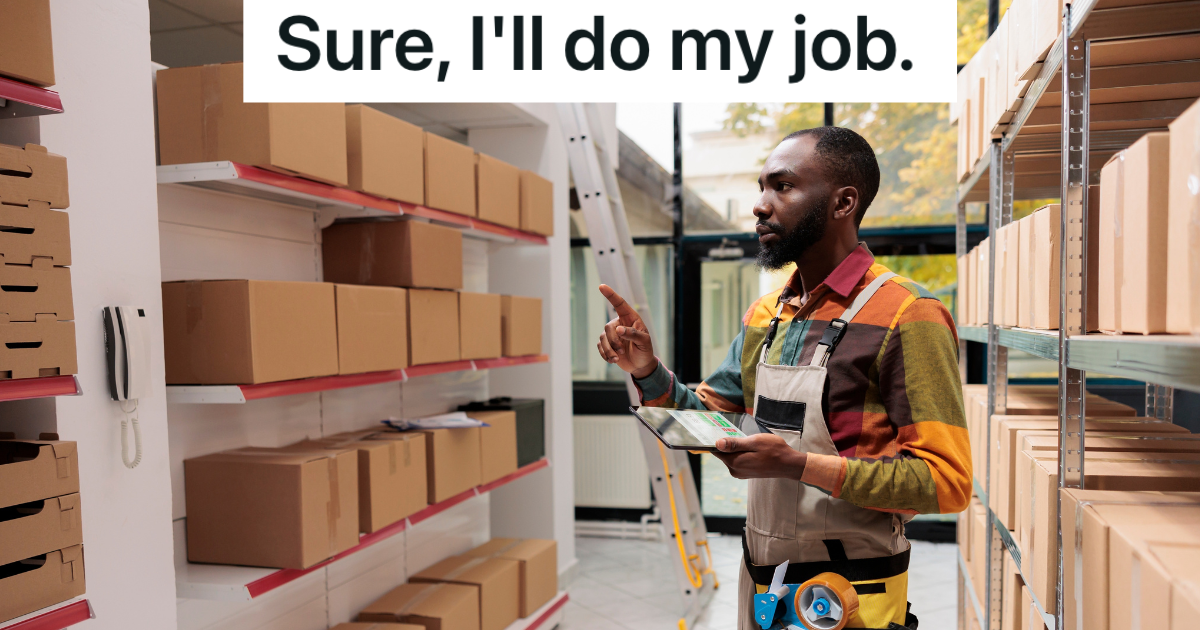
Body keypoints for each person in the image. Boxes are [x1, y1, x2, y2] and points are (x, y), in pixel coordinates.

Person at [596, 127, 971, 630]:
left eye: (783, 186)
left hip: (848, 596)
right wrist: (644, 368)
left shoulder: (908, 313)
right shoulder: (767, 315)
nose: (760, 205)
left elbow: (946, 483)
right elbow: (707, 420)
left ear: (843, 202)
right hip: (763, 581)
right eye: (761, 187)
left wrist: (800, 466)